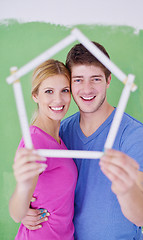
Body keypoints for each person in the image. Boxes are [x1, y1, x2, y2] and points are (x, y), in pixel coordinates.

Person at [19, 42, 143, 240]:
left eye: (96, 79)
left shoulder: (133, 134)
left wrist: (126, 191)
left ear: (108, 80)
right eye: (78, 80)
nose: (87, 89)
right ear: (69, 84)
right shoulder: (60, 134)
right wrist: (26, 210)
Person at [9, 59, 78, 240]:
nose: (58, 99)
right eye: (49, 91)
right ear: (35, 95)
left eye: (65, 90)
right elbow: (16, 212)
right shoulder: (34, 141)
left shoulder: (59, 139)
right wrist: (23, 205)